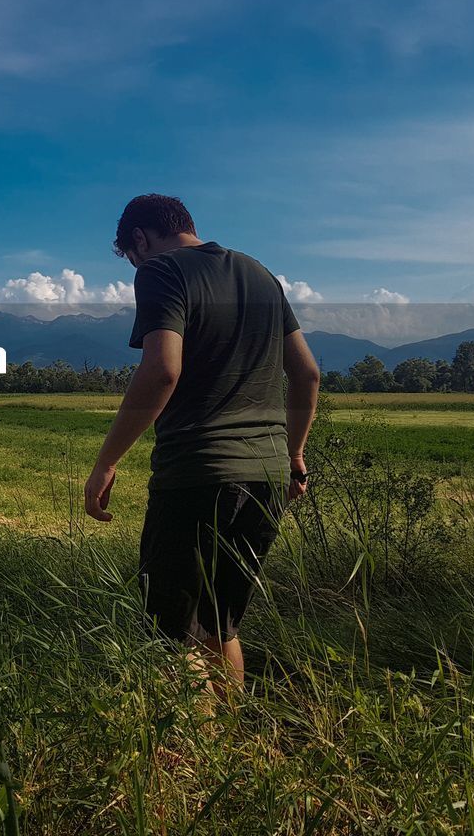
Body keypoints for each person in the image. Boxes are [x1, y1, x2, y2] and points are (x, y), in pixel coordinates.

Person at [84, 193, 320, 694]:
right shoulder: (261, 275)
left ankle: (189, 762)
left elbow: (163, 370)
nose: (134, 264)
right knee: (218, 624)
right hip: (267, 479)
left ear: (140, 240)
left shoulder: (161, 271)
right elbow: (307, 375)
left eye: (131, 254)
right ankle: (229, 749)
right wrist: (294, 457)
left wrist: (106, 461)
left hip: (198, 475)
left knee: (173, 636)